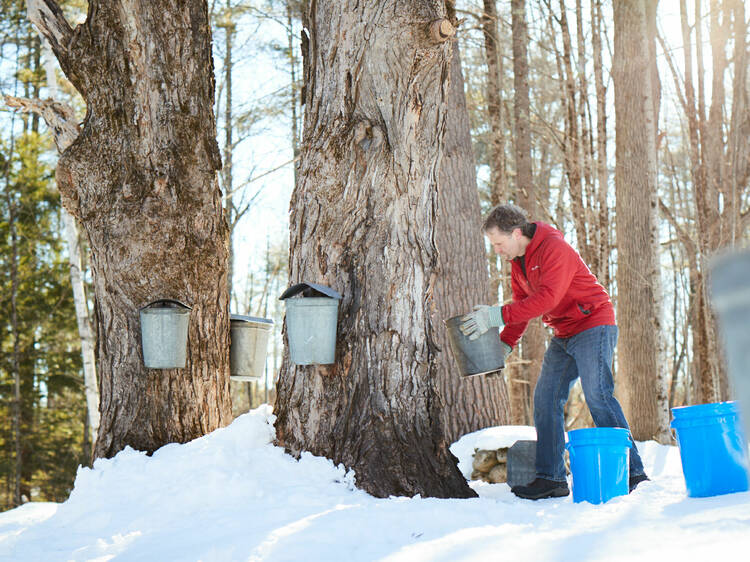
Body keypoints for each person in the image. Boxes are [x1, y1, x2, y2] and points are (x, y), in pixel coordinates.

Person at [460, 203, 648, 500]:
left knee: (598, 393)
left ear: (516, 233)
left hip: (593, 323)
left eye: (498, 243)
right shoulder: (517, 263)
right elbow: (522, 309)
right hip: (564, 332)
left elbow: (548, 298)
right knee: (545, 399)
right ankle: (551, 478)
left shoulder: (553, 248)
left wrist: (494, 316)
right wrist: (504, 347)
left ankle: (634, 471)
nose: (496, 250)